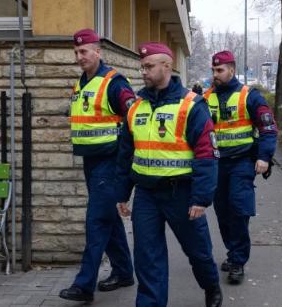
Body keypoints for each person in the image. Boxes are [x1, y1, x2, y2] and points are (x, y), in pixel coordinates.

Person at [116, 42, 223, 307]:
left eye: (149, 66)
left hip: (183, 194)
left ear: (167, 65)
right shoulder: (136, 106)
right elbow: (126, 154)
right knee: (147, 257)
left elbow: (206, 154)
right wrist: (122, 193)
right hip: (147, 195)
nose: (144, 71)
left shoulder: (191, 105)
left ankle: (211, 286)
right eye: (142, 67)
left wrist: (201, 198)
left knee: (198, 252)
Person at [59, 28, 135, 303]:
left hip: (110, 161)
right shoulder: (83, 82)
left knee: (97, 221)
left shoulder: (113, 82)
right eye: (77, 52)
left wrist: (125, 157)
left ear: (98, 51)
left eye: (84, 51)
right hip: (91, 161)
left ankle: (84, 285)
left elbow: (134, 115)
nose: (80, 57)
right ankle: (124, 271)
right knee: (108, 218)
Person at [204, 50, 278, 285]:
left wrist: (264, 157)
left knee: (238, 210)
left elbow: (268, 128)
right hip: (217, 165)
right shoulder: (206, 98)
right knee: (222, 211)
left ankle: (237, 261)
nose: (215, 74)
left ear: (232, 70)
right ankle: (232, 251)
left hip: (242, 162)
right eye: (213, 70)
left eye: (220, 70)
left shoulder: (250, 97)